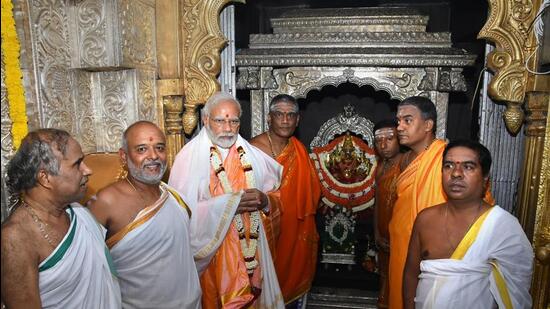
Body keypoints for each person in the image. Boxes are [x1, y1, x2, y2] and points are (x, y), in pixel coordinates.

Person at [169, 92, 285, 309]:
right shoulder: (188, 158)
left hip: (251, 250)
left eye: (233, 121)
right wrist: (226, 206)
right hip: (212, 257)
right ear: (206, 121)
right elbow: (180, 214)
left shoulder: (253, 155)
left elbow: (276, 199)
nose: (228, 128)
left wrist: (265, 201)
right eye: (220, 120)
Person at [387, 96, 493, 309]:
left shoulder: (444, 161)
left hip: (434, 261)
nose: (399, 127)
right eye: (398, 121)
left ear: (428, 125)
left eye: (407, 120)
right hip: (402, 251)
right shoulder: (407, 159)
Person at [403, 140, 533, 309]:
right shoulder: (425, 219)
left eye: (468, 167)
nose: (456, 173)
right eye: (448, 166)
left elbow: (517, 285)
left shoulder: (501, 225)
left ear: (485, 177)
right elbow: (411, 275)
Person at [1, 129, 121, 309]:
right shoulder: (15, 238)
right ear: (45, 178)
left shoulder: (77, 212)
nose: (88, 170)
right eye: (77, 164)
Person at [87, 121, 202, 308]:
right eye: (142, 149)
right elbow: (87, 267)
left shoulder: (173, 197)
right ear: (124, 157)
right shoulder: (106, 202)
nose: (154, 156)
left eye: (159, 148)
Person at [250, 94, 321, 305]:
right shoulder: (253, 148)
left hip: (294, 231)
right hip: (264, 230)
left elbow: (311, 195)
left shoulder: (299, 151)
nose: (285, 120)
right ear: (269, 118)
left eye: (291, 115)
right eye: (279, 114)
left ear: (298, 120)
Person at [372, 119, 402, 309]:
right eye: (378, 140)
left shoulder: (407, 166)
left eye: (390, 139)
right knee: (385, 281)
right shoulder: (381, 166)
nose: (383, 145)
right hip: (383, 238)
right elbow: (378, 203)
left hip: (400, 238)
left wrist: (397, 237)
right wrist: (376, 233)